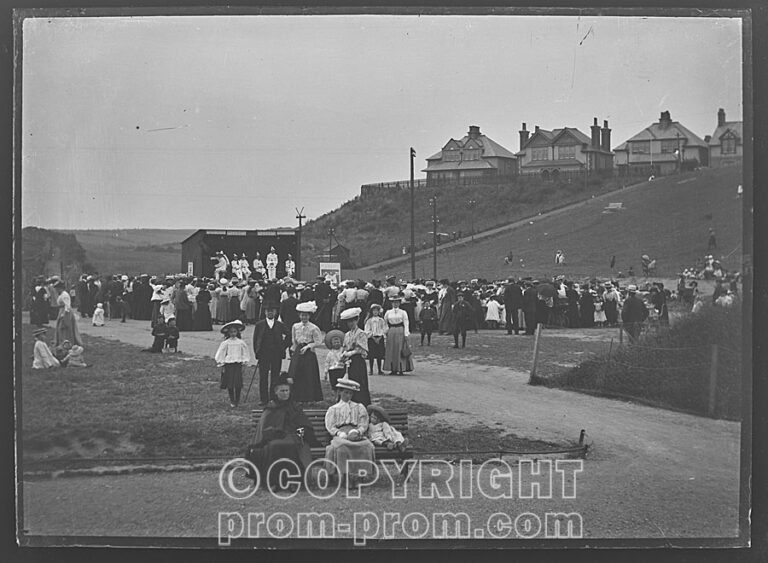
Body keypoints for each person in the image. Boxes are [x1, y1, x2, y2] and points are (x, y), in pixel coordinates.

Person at [246, 373, 319, 492]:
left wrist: (302, 431)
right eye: (282, 391)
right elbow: (265, 427)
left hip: (293, 436)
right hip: (275, 437)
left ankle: (292, 481)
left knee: (292, 445)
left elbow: (304, 424)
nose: (285, 393)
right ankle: (273, 481)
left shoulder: (294, 407)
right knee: (275, 446)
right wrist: (272, 433)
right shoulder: (271, 407)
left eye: (287, 391)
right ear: (276, 392)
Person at [324, 376, 375, 486]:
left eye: (350, 393)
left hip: (355, 433)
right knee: (341, 447)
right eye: (345, 393)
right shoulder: (333, 409)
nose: (348, 396)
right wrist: (338, 433)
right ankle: (346, 476)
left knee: (366, 446)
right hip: (341, 434)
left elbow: (363, 422)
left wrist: (358, 431)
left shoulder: (359, 407)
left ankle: (358, 476)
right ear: (339, 392)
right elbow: (330, 426)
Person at [252, 301, 291, 406]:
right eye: (268, 311)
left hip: (276, 354)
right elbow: (255, 339)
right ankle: (263, 399)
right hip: (264, 354)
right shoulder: (259, 325)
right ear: (265, 312)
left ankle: (273, 397)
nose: (270, 313)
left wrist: (283, 346)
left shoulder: (279, 325)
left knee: (275, 376)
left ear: (275, 312)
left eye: (272, 311)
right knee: (263, 376)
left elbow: (289, 335)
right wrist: (257, 351)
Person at [287, 301, 324, 403]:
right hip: (298, 351)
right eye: (302, 315)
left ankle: (309, 397)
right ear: (299, 315)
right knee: (296, 373)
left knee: (308, 374)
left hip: (308, 352)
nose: (304, 317)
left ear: (309, 316)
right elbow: (294, 339)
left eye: (306, 315)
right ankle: (297, 397)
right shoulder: (295, 326)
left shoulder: (314, 328)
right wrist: (293, 350)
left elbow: (318, 341)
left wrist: (308, 346)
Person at [215, 319, 253, 408]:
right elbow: (221, 353)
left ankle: (237, 400)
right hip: (229, 365)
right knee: (230, 384)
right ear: (228, 333)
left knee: (238, 383)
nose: (233, 333)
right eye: (231, 332)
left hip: (237, 365)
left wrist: (244, 362)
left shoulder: (241, 343)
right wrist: (222, 363)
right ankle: (232, 400)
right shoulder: (226, 343)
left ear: (237, 332)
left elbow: (245, 353)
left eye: (235, 331)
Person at [340, 307, 371, 406]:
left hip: (357, 360)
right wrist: (343, 355)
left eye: (353, 321)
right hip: (348, 361)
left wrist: (352, 353)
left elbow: (363, 349)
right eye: (349, 321)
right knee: (348, 380)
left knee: (358, 381)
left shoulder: (361, 333)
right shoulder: (347, 334)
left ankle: (360, 401)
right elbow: (344, 347)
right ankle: (348, 400)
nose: (351, 323)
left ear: (357, 320)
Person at [383, 296, 413, 375]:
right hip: (391, 331)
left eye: (397, 302)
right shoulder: (388, 312)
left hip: (400, 330)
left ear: (399, 303)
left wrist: (406, 333)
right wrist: (385, 332)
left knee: (400, 348)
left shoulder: (403, 312)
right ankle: (393, 369)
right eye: (393, 302)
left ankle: (401, 368)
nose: (395, 304)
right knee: (392, 349)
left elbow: (406, 323)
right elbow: (385, 323)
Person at [54, 281, 83, 347]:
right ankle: (61, 342)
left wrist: (64, 315)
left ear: (60, 288)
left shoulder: (65, 294)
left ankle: (67, 342)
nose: (56, 290)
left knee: (65, 327)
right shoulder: (61, 294)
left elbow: (67, 305)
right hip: (61, 310)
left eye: (57, 288)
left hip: (65, 312)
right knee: (60, 328)